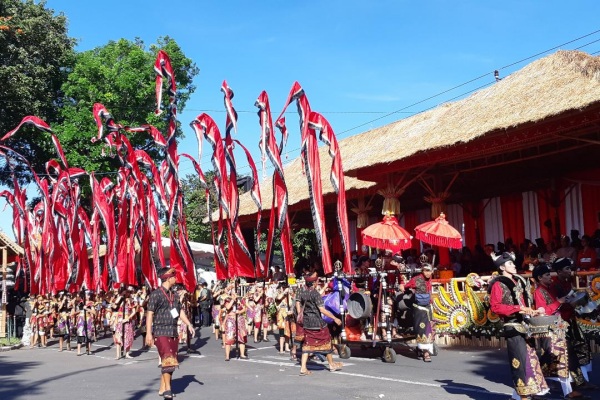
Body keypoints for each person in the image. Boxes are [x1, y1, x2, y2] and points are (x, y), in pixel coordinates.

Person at [488, 252, 549, 400]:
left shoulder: (519, 280)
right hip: (513, 325)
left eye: (513, 263)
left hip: (526, 324)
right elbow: (495, 307)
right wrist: (518, 309)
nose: (514, 266)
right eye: (510, 264)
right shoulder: (498, 284)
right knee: (519, 360)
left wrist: (533, 311)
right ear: (502, 267)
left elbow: (525, 302)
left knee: (531, 357)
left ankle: (530, 391)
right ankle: (523, 394)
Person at [532, 264, 587, 399]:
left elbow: (557, 305)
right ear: (539, 278)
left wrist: (567, 301)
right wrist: (560, 301)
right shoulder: (539, 292)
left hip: (558, 327)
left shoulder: (550, 289)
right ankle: (535, 379)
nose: (550, 277)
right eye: (546, 275)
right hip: (549, 330)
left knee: (563, 355)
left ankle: (570, 387)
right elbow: (542, 311)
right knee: (556, 356)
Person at [146, 267, 196, 400]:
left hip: (173, 332)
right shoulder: (155, 294)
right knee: (168, 359)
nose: (176, 279)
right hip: (160, 331)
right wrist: (148, 334)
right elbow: (149, 314)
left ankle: (162, 388)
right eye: (174, 276)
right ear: (168, 278)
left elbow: (179, 312)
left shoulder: (174, 295)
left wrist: (189, 324)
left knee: (171, 362)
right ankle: (168, 389)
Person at [296, 273, 343, 376]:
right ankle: (331, 365)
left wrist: (300, 314)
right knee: (326, 341)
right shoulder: (315, 294)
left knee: (307, 344)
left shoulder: (303, 293)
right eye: (317, 281)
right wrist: (334, 318)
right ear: (314, 282)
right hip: (317, 322)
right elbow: (322, 309)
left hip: (307, 323)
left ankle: (303, 368)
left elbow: (298, 304)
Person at [399, 259, 435, 362]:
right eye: (426, 271)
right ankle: (425, 352)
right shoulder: (416, 279)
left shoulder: (430, 280)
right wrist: (403, 287)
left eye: (430, 271)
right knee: (421, 330)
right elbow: (406, 286)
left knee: (430, 329)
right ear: (422, 271)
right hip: (419, 309)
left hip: (428, 308)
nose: (428, 273)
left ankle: (424, 349)